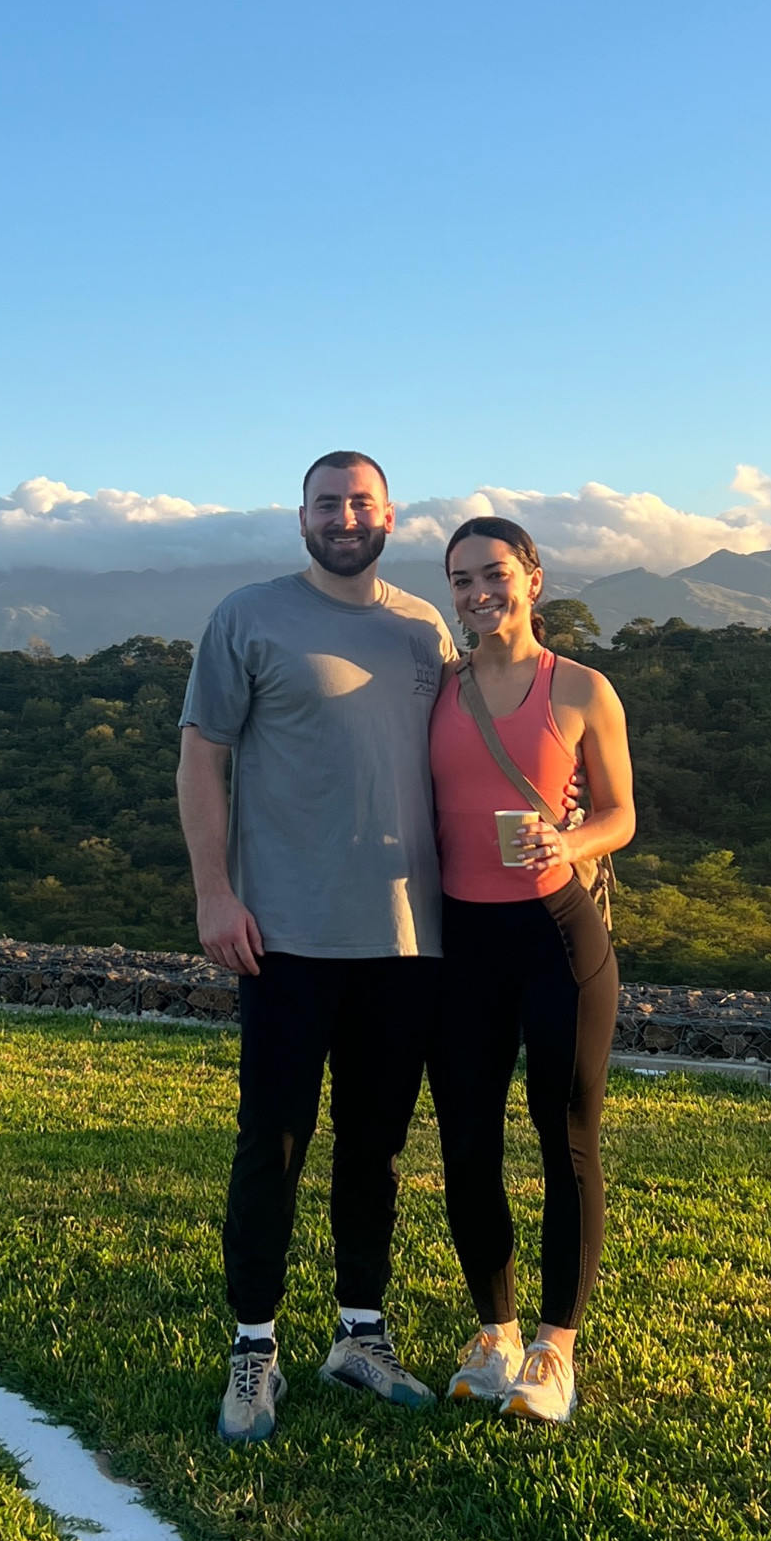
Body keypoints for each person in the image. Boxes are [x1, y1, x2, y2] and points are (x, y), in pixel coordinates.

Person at [176, 451, 459, 1443]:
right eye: (328, 503)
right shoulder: (247, 616)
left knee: (376, 1145)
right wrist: (216, 892)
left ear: (390, 515)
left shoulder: (425, 626)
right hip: (284, 930)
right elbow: (201, 757)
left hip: (404, 934)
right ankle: (254, 1349)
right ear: (300, 516)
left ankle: (360, 1333)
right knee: (275, 1139)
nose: (345, 517)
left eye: (361, 503)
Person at [427, 517, 635, 1424]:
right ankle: (496, 1332)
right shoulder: (434, 690)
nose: (480, 593)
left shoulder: (584, 689)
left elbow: (621, 814)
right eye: (462, 579)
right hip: (459, 941)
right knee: (467, 1144)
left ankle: (557, 1348)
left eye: (496, 573)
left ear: (534, 579)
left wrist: (569, 835)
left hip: (558, 934)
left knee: (567, 1141)